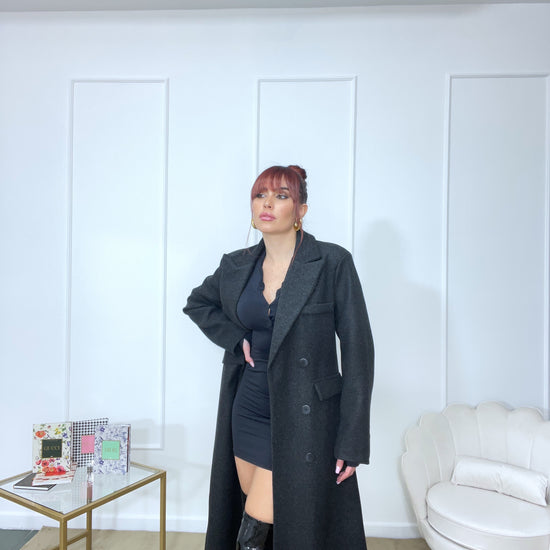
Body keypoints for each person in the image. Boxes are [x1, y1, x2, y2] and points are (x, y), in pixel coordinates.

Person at [183, 165, 374, 550]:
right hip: (248, 410)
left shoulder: (331, 262)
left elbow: (359, 352)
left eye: (281, 196)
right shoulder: (236, 265)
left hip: (305, 420)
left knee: (256, 528)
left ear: (301, 210)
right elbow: (198, 303)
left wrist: (352, 440)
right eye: (260, 195)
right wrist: (236, 339)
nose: (267, 204)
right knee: (261, 523)